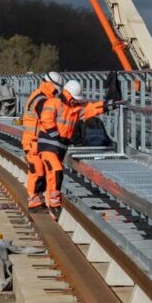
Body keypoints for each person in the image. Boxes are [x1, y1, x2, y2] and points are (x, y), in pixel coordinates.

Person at [37, 80, 117, 220]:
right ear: (68, 95)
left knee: (53, 174)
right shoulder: (53, 103)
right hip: (48, 145)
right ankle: (54, 205)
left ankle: (52, 202)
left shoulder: (75, 109)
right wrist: (56, 136)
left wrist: (111, 104)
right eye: (74, 99)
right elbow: (46, 119)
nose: (75, 101)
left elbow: (92, 109)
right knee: (56, 170)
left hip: (60, 147)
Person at [22, 72, 63, 210]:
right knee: (37, 172)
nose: (57, 93)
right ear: (52, 85)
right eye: (57, 89)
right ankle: (34, 200)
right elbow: (46, 118)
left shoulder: (40, 96)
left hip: (36, 141)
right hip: (32, 141)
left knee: (41, 172)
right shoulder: (41, 99)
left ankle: (37, 199)